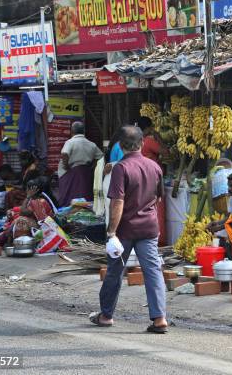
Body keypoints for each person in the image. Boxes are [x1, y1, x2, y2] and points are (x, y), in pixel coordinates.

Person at [90, 125, 167, 333]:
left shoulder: (121, 168)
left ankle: (106, 315)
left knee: (115, 271)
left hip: (124, 230)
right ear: (142, 143)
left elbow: (117, 202)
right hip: (149, 229)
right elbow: (158, 198)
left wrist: (111, 232)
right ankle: (160, 319)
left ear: (120, 146)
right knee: (153, 272)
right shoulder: (155, 167)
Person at [58, 121, 103, 207]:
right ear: (83, 131)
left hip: (71, 172)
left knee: (69, 197)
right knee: (84, 195)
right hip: (85, 172)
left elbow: (64, 154)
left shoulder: (70, 142)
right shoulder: (91, 144)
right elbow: (100, 156)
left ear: (72, 131)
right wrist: (92, 167)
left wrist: (66, 166)